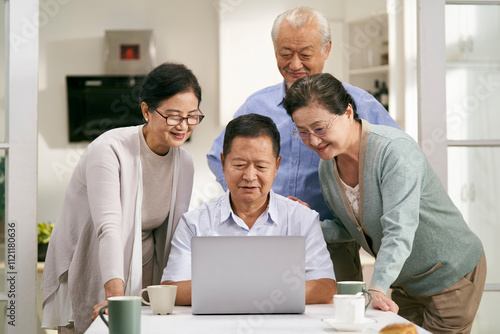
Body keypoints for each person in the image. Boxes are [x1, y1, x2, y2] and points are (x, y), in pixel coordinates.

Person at [283, 72, 486, 334]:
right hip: (406, 282)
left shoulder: (394, 152)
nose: (313, 140)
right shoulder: (327, 168)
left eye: (320, 128)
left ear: (346, 113)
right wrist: (310, 223)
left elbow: (398, 230)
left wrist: (376, 287)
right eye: (302, 132)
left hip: (450, 276)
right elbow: (354, 228)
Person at [207, 6, 400, 282]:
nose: (295, 64)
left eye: (305, 54)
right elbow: (218, 156)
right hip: (266, 241)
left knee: (334, 319)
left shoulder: (359, 105)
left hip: (332, 244)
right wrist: (251, 199)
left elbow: (397, 163)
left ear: (327, 49)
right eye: (285, 54)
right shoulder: (257, 105)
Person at [41, 62, 205, 333]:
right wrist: (115, 297)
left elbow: (175, 233)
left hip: (144, 270)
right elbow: (109, 228)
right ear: (146, 111)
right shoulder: (109, 149)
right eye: (174, 116)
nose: (184, 126)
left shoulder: (184, 162)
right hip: (92, 261)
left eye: (192, 116)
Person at [162, 114, 336, 305]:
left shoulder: (302, 219)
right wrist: (264, 291)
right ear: (223, 163)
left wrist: (234, 290)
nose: (250, 176)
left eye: (261, 166)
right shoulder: (195, 223)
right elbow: (172, 290)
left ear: (277, 166)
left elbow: (325, 287)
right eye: (239, 165)